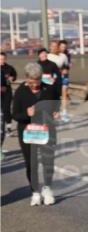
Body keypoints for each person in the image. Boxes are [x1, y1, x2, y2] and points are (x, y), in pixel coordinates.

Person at [10, 62, 61, 205]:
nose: (34, 85)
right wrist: (26, 114)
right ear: (26, 79)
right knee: (31, 164)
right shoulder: (20, 91)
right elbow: (15, 115)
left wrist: (56, 113)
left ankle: (48, 189)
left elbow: (56, 103)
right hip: (28, 132)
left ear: (41, 78)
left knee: (48, 162)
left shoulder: (49, 89)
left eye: (37, 82)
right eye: (31, 82)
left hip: (46, 130)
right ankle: (35, 192)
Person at [1, 52, 15, 143]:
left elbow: (14, 75)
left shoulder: (9, 68)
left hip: (7, 91)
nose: (1, 61)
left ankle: (9, 127)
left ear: (5, 59)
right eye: (0, 59)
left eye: (3, 59)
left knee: (6, 108)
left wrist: (12, 78)